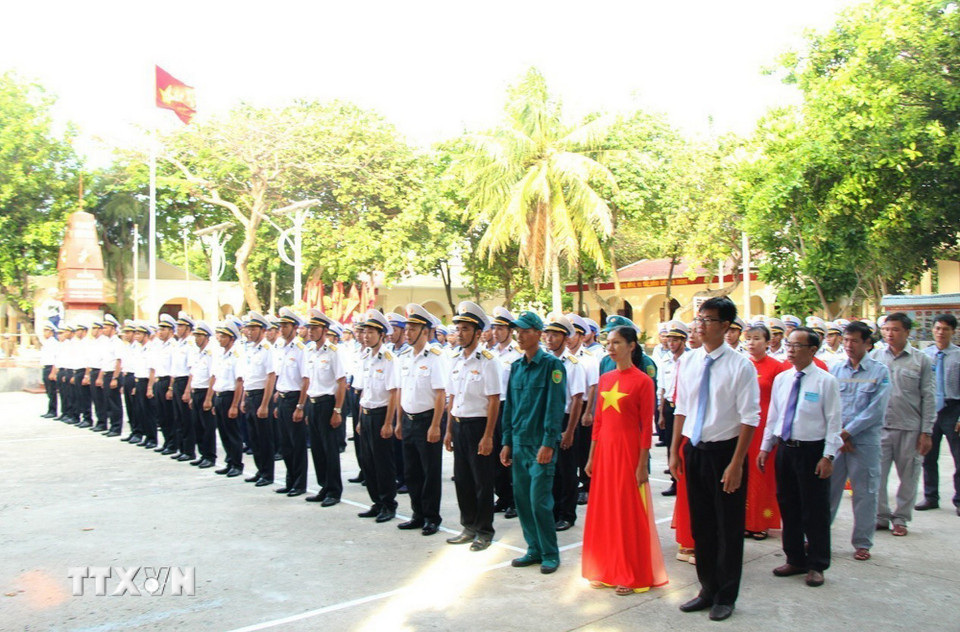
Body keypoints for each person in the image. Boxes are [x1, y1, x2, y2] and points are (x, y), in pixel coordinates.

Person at [669, 296, 760, 622]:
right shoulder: (690, 361)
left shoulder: (741, 366)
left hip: (725, 453)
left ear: (725, 326)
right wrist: (675, 451)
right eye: (699, 318)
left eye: (708, 320)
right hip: (695, 451)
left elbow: (750, 418)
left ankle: (726, 596)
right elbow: (682, 407)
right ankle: (707, 589)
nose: (700, 325)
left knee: (728, 528)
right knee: (702, 526)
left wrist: (736, 463)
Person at [582, 326, 668, 595]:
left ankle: (630, 572)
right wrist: (591, 457)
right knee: (605, 510)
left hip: (628, 453)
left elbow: (646, 427)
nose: (611, 347)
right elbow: (598, 422)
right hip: (605, 452)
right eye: (608, 342)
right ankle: (605, 568)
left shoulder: (643, 381)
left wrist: (642, 464)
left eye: (617, 342)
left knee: (627, 513)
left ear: (631, 346)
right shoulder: (605, 378)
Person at [758, 326, 842, 588]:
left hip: (812, 451)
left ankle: (817, 564)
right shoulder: (783, 379)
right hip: (786, 449)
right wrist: (765, 447)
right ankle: (794, 558)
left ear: (812, 350)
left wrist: (828, 456)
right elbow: (774, 416)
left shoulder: (825, 381)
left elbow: (834, 422)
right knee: (789, 505)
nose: (790, 350)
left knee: (814, 510)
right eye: (789, 345)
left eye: (797, 346)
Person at [501, 311, 567, 575]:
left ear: (539, 334)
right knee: (523, 501)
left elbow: (555, 406)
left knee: (539, 501)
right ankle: (533, 548)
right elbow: (510, 407)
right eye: (517, 331)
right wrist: (507, 441)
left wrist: (549, 442)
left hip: (540, 444)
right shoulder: (516, 367)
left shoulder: (552, 366)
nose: (520, 335)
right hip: (519, 443)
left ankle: (550, 553)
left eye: (525, 331)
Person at [829, 321, 892, 561]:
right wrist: (839, 434)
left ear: (867, 343)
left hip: (865, 443)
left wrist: (848, 433)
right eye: (846, 340)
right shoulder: (835, 370)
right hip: (837, 442)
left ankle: (863, 543)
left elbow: (876, 410)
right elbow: (829, 405)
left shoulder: (880, 372)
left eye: (854, 341)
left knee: (865, 493)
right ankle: (818, 536)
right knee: (828, 491)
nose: (848, 345)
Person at [445, 302, 502, 551]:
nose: (460, 333)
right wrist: (448, 430)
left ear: (478, 333)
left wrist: (488, 436)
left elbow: (494, 401)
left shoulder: (488, 361)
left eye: (465, 329)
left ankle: (484, 531)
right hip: (459, 424)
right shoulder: (455, 360)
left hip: (479, 426)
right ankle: (468, 526)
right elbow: (452, 397)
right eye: (458, 329)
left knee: (482, 481)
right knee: (463, 479)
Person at [874, 312, 935, 536]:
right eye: (886, 329)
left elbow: (929, 396)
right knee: (877, 475)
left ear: (907, 332)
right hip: (880, 427)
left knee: (909, 476)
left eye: (895, 329)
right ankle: (880, 516)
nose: (890, 333)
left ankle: (901, 518)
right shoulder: (875, 357)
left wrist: (926, 431)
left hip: (910, 427)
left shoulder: (921, 360)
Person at [395, 303, 447, 535]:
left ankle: (432, 517)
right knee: (411, 472)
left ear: (425, 332)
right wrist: (399, 422)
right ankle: (417, 514)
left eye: (413, 329)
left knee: (430, 472)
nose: (407, 333)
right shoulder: (405, 357)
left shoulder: (435, 357)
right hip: (408, 419)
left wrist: (436, 425)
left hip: (427, 421)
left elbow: (440, 394)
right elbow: (401, 391)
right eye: (407, 329)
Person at [355, 309, 401, 523]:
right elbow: (364, 391)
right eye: (364, 332)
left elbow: (393, 392)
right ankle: (376, 502)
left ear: (382, 335)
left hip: (381, 414)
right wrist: (359, 419)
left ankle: (388, 504)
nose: (366, 336)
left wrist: (388, 422)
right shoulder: (366, 357)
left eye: (371, 332)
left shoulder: (389, 359)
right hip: (366, 414)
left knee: (383, 463)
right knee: (368, 462)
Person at [743, 323, 788, 539]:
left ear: (768, 342)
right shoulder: (743, 365)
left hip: (766, 427)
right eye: (748, 338)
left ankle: (761, 521)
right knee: (745, 473)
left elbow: (783, 401)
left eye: (757, 338)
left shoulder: (778, 368)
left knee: (763, 474)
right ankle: (745, 520)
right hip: (745, 425)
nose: (751, 343)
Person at [542, 313, 586, 532]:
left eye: (555, 335)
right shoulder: (545, 361)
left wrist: (569, 431)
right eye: (547, 334)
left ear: (565, 338)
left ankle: (567, 514)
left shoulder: (573, 364)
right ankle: (553, 511)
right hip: (548, 420)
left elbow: (577, 399)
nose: (549, 339)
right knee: (550, 469)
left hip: (566, 420)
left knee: (567, 470)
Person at [304, 308, 347, 505]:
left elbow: (341, 382)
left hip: (327, 404)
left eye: (315, 328)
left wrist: (337, 410)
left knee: (329, 449)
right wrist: (305, 407)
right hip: (313, 403)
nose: (310, 331)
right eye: (309, 328)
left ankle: (334, 491)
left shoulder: (333, 352)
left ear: (324, 330)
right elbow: (310, 381)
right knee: (317, 449)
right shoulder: (310, 351)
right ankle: (324, 486)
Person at [918, 313, 960, 516]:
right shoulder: (924, 355)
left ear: (953, 332)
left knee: (958, 457)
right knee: (928, 455)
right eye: (937, 328)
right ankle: (930, 496)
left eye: (945, 329)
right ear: (932, 330)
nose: (941, 332)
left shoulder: (958, 355)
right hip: (930, 409)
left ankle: (959, 500)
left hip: (954, 409)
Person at [274, 307, 310, 496]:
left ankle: (299, 483)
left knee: (297, 444)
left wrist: (300, 406)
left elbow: (306, 379)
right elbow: (281, 375)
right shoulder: (281, 347)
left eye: (286, 326)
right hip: (282, 397)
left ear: (295, 328)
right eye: (281, 325)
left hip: (295, 398)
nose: (282, 329)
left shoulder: (301, 349)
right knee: (286, 443)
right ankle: (290, 480)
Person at [490, 306, 521, 519]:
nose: (496, 332)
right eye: (494, 328)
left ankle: (515, 500)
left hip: (511, 407)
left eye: (501, 328)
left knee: (511, 454)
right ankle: (502, 496)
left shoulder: (518, 354)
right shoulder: (490, 354)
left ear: (510, 331)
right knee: (494, 455)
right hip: (493, 407)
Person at [240, 312, 277, 486]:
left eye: (253, 329)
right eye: (248, 328)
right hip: (250, 395)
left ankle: (267, 474)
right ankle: (260, 469)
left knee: (264, 437)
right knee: (253, 437)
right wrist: (243, 399)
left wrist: (264, 404)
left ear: (262, 330)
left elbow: (271, 376)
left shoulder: (267, 349)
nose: (249, 332)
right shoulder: (251, 349)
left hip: (261, 396)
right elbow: (248, 377)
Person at [207, 320, 245, 477]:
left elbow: (239, 381)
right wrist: (212, 399)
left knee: (233, 433)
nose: (220, 339)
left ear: (231, 338)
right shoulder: (220, 355)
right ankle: (229, 462)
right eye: (220, 336)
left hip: (230, 396)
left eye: (223, 337)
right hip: (220, 395)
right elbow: (215, 377)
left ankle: (237, 464)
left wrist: (235, 405)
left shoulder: (237, 355)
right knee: (223, 432)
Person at [657, 321, 689, 497]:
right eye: (669, 340)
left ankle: (686, 480)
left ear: (683, 341)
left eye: (675, 340)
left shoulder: (690, 360)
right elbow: (662, 388)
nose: (671, 343)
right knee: (671, 445)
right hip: (670, 407)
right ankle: (674, 481)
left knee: (686, 445)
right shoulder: (665, 361)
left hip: (686, 409)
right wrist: (661, 413)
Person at [186, 321, 217, 469]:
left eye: (199, 336)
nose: (196, 339)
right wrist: (190, 392)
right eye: (195, 336)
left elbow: (213, 376)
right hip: (196, 391)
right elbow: (193, 374)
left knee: (207, 427)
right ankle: (203, 454)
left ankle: (210, 456)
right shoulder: (196, 353)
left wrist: (209, 398)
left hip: (206, 392)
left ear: (206, 337)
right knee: (197, 425)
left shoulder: (210, 354)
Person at [40, 322, 59, 419]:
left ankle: (53, 410)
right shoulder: (46, 343)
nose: (44, 333)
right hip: (45, 367)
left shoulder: (54, 343)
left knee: (52, 391)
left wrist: (53, 372)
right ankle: (50, 410)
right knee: (48, 391)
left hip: (51, 368)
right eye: (44, 331)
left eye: (46, 331)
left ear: (51, 332)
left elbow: (56, 358)